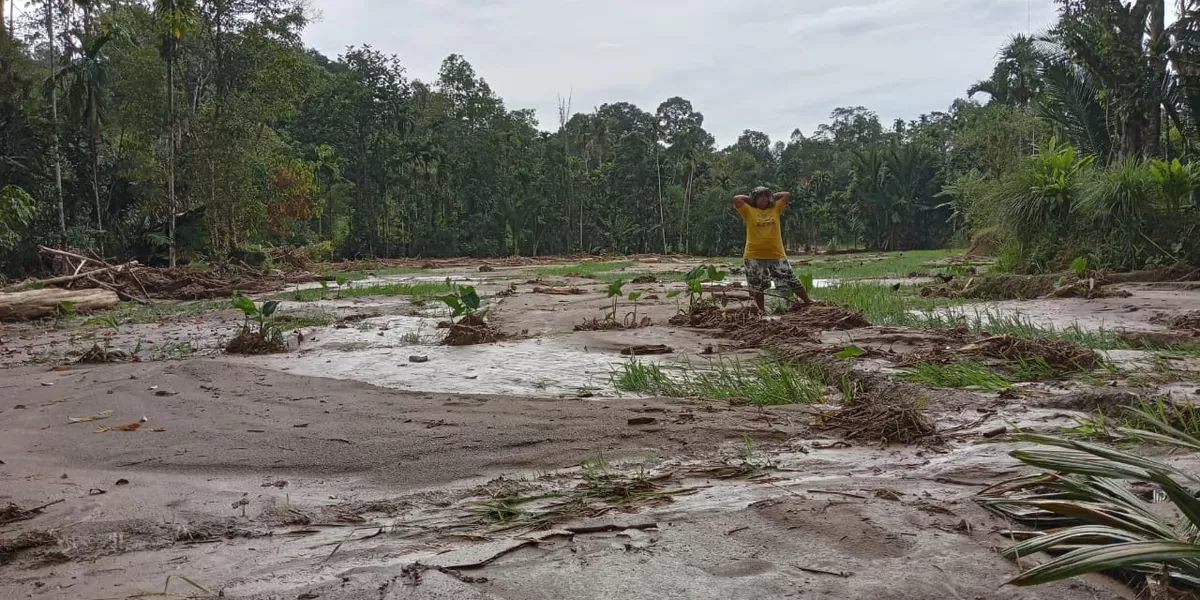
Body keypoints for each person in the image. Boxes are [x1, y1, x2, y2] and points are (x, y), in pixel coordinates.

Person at [733, 186, 813, 312]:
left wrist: (770, 196)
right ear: (755, 199)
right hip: (754, 255)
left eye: (765, 196)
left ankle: (808, 301)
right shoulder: (748, 211)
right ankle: (761, 311)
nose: (763, 199)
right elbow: (737, 199)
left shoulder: (775, 208)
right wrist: (753, 199)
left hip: (776, 254)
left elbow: (786, 195)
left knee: (790, 278)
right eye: (760, 197)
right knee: (757, 286)